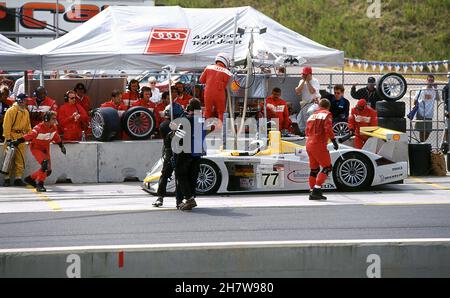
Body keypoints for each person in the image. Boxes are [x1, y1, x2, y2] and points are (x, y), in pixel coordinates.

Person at [11, 111, 66, 192]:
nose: (55, 120)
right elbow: (29, 136)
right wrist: (18, 141)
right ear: (47, 119)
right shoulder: (38, 128)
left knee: (48, 171)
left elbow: (56, 136)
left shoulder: (54, 127)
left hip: (45, 149)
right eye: (53, 119)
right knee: (44, 164)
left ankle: (30, 178)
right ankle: (40, 185)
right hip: (36, 148)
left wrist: (61, 146)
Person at [173, 98, 205, 211]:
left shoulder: (187, 120)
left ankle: (189, 198)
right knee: (191, 176)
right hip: (197, 152)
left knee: (181, 174)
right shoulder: (201, 119)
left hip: (185, 150)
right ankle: (189, 198)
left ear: (189, 107)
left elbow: (177, 136)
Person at [152, 103, 185, 208]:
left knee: (165, 175)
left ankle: (161, 197)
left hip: (173, 152)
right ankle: (177, 200)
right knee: (171, 175)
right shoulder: (166, 126)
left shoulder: (175, 125)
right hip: (173, 151)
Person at [305, 98, 338, 201]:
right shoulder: (327, 114)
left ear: (319, 106)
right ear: (328, 107)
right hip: (318, 143)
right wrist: (334, 141)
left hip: (309, 143)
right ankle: (316, 190)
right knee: (327, 167)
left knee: (314, 169)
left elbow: (306, 130)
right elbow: (328, 128)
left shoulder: (312, 115)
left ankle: (312, 191)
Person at [2, 93, 31, 186]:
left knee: (20, 158)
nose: (26, 102)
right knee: (9, 158)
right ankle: (7, 178)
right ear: (20, 100)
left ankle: (18, 178)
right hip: (11, 135)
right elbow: (6, 126)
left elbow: (28, 126)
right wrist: (8, 138)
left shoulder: (26, 112)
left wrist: (29, 136)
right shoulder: (11, 111)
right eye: (25, 100)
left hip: (21, 137)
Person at [199, 53, 232, 123]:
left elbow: (201, 80)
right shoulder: (228, 73)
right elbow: (231, 87)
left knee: (207, 111)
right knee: (221, 112)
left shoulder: (208, 67)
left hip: (208, 93)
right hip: (220, 93)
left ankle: (204, 131)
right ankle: (220, 131)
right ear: (226, 61)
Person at [412, 75, 441, 142]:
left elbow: (438, 99)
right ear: (426, 81)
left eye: (432, 80)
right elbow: (415, 100)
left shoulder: (434, 91)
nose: (430, 82)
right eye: (429, 80)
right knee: (421, 130)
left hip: (429, 113)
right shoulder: (421, 90)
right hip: (421, 112)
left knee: (428, 130)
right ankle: (422, 143)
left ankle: (422, 142)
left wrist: (436, 89)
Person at [295, 67, 321, 136]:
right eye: (303, 74)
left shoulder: (315, 81)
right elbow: (298, 92)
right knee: (299, 120)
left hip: (314, 103)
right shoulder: (301, 81)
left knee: (310, 112)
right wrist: (303, 81)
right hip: (305, 103)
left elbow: (312, 91)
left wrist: (307, 82)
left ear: (310, 74)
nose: (304, 76)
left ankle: (313, 132)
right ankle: (304, 133)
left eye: (306, 74)